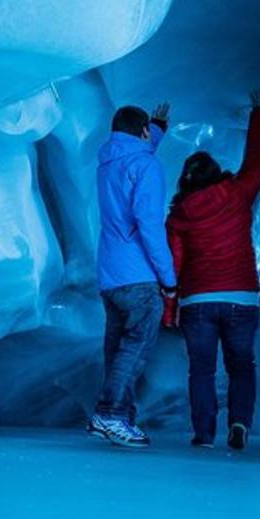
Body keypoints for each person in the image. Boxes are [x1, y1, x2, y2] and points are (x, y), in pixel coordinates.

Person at [164, 92, 260, 450]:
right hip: (241, 296)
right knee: (242, 364)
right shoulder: (238, 193)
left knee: (202, 369)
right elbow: (257, 161)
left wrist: (169, 307)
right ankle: (239, 422)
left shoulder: (179, 216)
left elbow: (173, 263)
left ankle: (204, 433)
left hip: (197, 301)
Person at [87, 102, 178, 448]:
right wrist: (168, 279)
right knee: (135, 350)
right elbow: (149, 225)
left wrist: (155, 127)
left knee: (116, 350)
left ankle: (119, 418)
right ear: (141, 133)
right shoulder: (146, 165)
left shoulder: (108, 163)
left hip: (110, 277)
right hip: (138, 276)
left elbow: (134, 154)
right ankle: (109, 414)